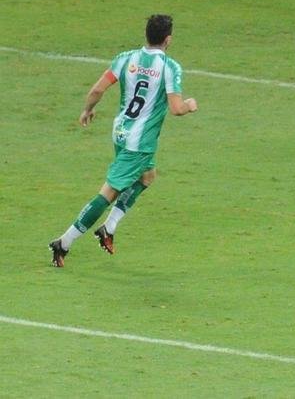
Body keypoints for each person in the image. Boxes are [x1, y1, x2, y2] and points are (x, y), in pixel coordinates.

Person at [49, 14, 198, 267]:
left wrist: (87, 110)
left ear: (146, 35)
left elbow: (97, 89)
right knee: (108, 192)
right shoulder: (170, 67)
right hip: (139, 143)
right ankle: (64, 242)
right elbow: (176, 109)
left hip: (120, 132)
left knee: (147, 176)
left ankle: (109, 227)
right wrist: (189, 105)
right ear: (168, 39)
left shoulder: (125, 58)